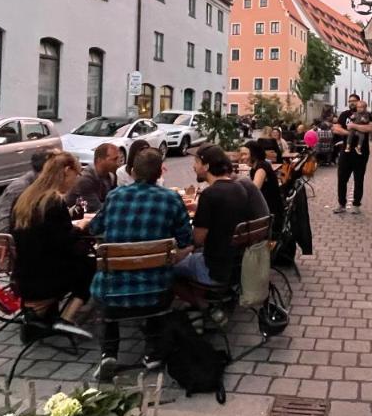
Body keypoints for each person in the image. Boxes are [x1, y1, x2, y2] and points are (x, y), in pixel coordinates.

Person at [90, 148, 193, 379]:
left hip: (112, 290)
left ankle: (109, 352)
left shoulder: (116, 195)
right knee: (167, 270)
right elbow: (187, 239)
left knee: (106, 290)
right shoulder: (171, 198)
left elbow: (95, 228)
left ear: (133, 172)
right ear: (159, 174)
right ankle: (153, 353)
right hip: (156, 290)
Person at [10, 153, 95, 324]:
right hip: (46, 277)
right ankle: (65, 319)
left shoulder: (24, 197)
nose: (75, 181)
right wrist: (81, 227)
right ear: (66, 171)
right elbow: (65, 243)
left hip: (22, 273)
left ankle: (48, 317)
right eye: (76, 175)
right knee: (91, 266)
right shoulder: (54, 201)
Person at [176, 145, 251, 286]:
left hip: (213, 269)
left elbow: (197, 239)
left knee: (168, 268)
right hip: (237, 266)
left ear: (206, 166)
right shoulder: (239, 188)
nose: (194, 167)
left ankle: (202, 303)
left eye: (196, 162)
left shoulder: (209, 194)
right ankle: (210, 301)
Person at [0, 147, 58, 233]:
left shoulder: (47, 184)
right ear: (48, 168)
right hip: (16, 240)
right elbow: (3, 227)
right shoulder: (19, 188)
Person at [333, 95, 372, 214]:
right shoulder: (344, 115)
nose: (351, 103)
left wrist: (354, 126)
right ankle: (341, 204)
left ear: (358, 102)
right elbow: (336, 129)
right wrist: (351, 133)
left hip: (361, 152)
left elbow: (369, 128)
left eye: (354, 101)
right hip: (345, 152)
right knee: (341, 178)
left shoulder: (366, 114)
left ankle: (356, 205)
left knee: (359, 178)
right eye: (350, 101)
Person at [66, 143, 122, 213]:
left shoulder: (111, 175)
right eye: (114, 159)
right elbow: (96, 209)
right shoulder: (85, 180)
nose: (118, 163)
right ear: (100, 160)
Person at [246, 139, 284, 233]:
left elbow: (254, 190)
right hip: (269, 209)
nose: (241, 157)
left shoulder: (261, 167)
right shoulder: (257, 167)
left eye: (245, 154)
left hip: (270, 214)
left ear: (253, 154)